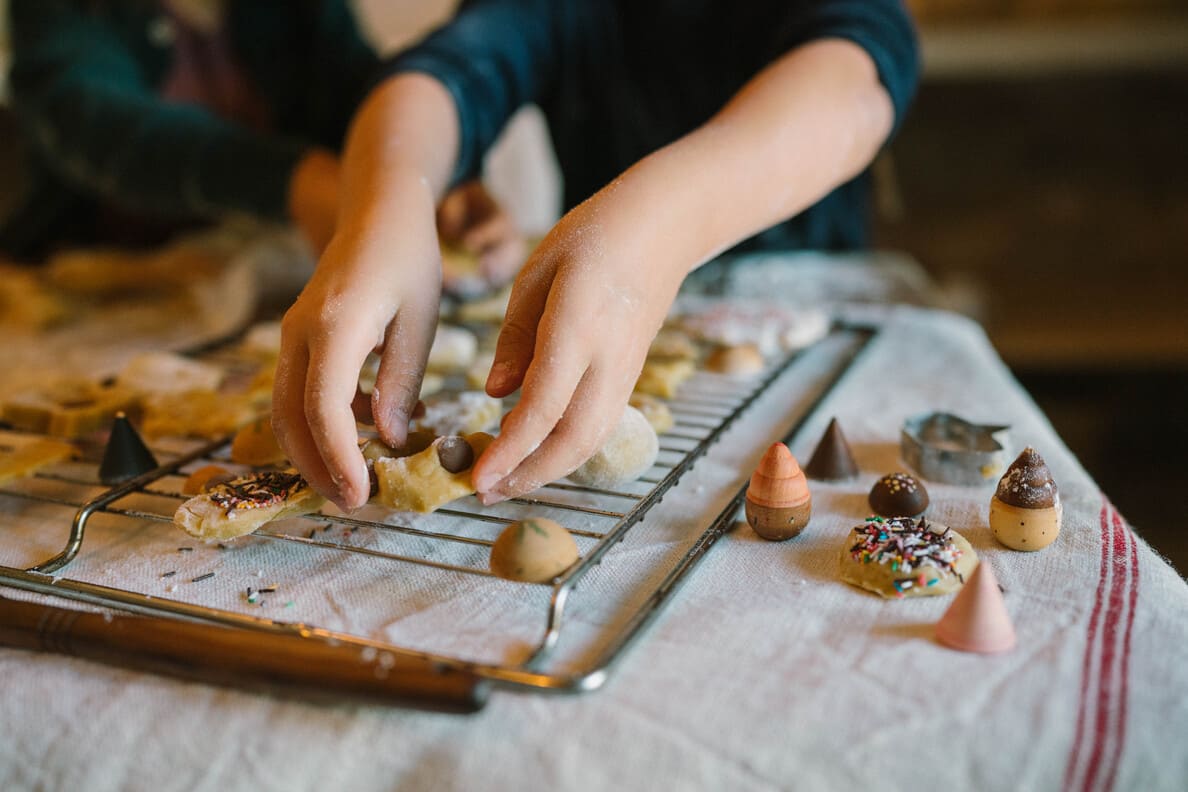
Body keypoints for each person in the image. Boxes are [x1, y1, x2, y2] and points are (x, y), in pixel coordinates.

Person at [272, 0, 919, 513]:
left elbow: (855, 78)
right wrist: (387, 205)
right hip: (598, 311)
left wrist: (666, 220)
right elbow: (441, 74)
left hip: (814, 335)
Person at [2, 0, 521, 288]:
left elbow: (359, 89)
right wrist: (295, 180)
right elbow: (92, 119)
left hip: (251, 289)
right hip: (91, 293)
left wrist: (432, 172)